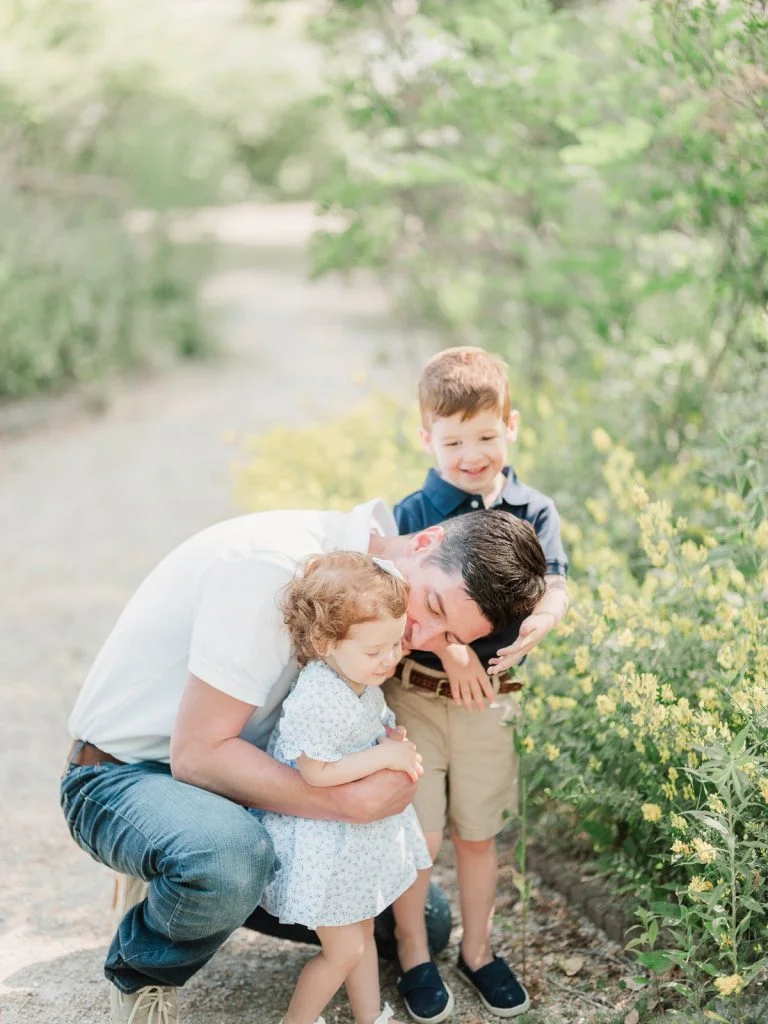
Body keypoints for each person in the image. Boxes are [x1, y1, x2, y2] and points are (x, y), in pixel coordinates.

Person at [60, 497, 548, 1024]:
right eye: (433, 607)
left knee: (419, 921)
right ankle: (145, 967)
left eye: (450, 638)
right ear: (426, 542)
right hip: (129, 773)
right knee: (229, 858)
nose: (422, 638)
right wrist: (347, 802)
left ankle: (186, 878)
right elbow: (196, 756)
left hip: (241, 785)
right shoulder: (274, 571)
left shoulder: (377, 590)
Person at [385, 347, 570, 1021]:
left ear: (511, 427)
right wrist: (454, 647)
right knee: (418, 836)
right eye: (453, 439)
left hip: (490, 705)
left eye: (486, 436)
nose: (472, 454)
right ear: (425, 437)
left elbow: (557, 583)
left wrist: (545, 618)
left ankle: (481, 950)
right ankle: (412, 955)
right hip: (418, 694)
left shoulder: (532, 508)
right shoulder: (415, 512)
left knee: (478, 833)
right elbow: (397, 599)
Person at [260, 552, 429, 1024]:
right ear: (324, 642)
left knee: (364, 930)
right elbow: (315, 771)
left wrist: (388, 739)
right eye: (375, 651)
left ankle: (368, 1016)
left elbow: (364, 730)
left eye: (396, 644)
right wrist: (386, 756)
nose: (389, 659)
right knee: (344, 948)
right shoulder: (318, 691)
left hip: (347, 839)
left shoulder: (358, 680)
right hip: (320, 840)